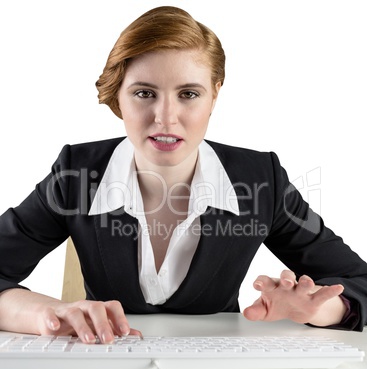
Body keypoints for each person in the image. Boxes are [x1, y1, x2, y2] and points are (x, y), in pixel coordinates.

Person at [0, 6, 366, 344]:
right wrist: (45, 313)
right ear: (118, 98)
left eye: (189, 93)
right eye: (144, 92)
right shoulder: (76, 174)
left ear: (214, 96)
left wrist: (321, 309)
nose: (166, 117)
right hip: (105, 366)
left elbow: (359, 281)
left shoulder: (260, 180)